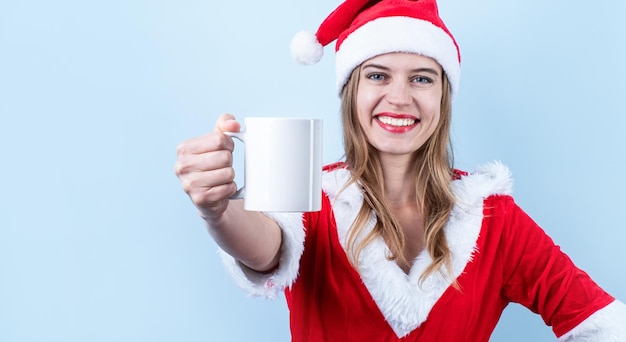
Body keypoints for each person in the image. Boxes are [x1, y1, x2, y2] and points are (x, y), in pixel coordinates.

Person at [174, 0, 626, 340]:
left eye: (422, 78)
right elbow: (264, 248)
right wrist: (218, 211)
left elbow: (602, 323)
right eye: (377, 75)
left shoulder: (493, 218)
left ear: (443, 96)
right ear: (350, 91)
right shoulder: (310, 194)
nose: (399, 97)